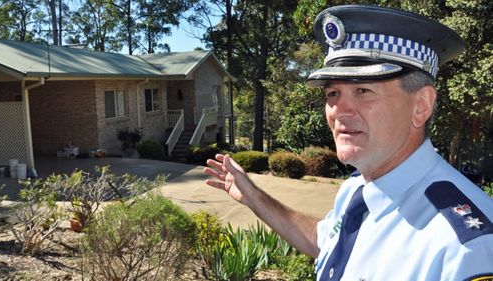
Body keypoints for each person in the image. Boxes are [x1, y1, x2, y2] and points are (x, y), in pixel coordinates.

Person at [203, 5, 493, 280]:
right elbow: (324, 241)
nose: (339, 110)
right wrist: (253, 195)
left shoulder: (463, 247)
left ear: (421, 105)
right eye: (333, 94)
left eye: (363, 90)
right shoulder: (357, 189)